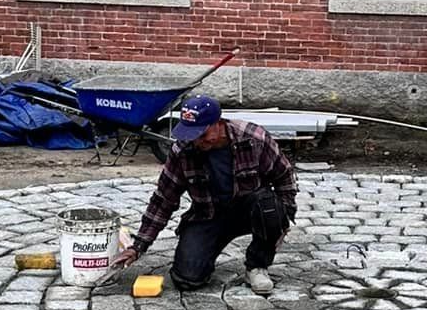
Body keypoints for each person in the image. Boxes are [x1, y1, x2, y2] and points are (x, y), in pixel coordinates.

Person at [112, 93, 296, 295]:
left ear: (218, 123)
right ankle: (204, 256)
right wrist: (138, 246)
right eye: (191, 135)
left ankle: (257, 265)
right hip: (209, 213)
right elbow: (163, 200)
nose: (196, 141)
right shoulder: (182, 150)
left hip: (249, 208)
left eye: (202, 134)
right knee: (186, 278)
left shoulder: (253, 137)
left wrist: (283, 217)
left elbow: (284, 175)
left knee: (270, 207)